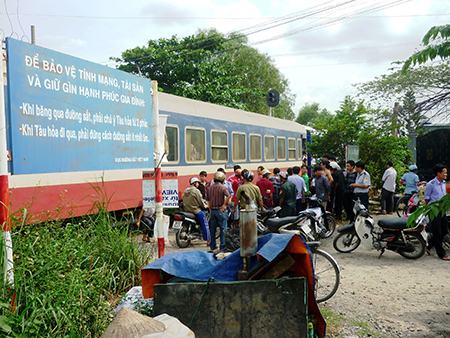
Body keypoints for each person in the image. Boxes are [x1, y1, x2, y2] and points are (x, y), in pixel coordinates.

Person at [424, 164, 449, 261]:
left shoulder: (444, 183)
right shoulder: (431, 184)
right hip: (434, 211)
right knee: (437, 232)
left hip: (443, 210)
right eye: (444, 172)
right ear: (438, 173)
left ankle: (429, 246)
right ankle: (441, 254)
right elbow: (426, 199)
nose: (446, 174)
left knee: (444, 231)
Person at [207, 171, 231, 252]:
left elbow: (208, 200)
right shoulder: (223, 187)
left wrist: (210, 208)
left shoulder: (210, 188)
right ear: (222, 179)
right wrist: (224, 205)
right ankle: (222, 247)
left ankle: (213, 246)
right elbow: (228, 196)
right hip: (220, 211)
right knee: (223, 229)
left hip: (213, 211)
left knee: (212, 230)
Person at [182, 177, 210, 243]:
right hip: (195, 210)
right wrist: (205, 206)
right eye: (197, 183)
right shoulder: (196, 191)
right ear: (194, 183)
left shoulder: (186, 190)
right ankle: (208, 239)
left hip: (186, 210)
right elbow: (200, 201)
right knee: (204, 222)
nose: (198, 184)